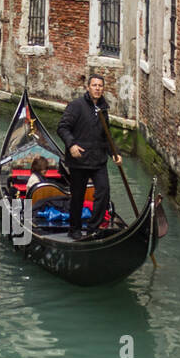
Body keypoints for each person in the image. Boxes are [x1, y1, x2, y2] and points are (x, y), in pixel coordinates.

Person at [57, 74, 122, 239]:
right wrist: (71, 145)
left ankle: (93, 227)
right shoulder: (76, 106)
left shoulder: (103, 108)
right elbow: (63, 127)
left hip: (98, 160)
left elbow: (106, 135)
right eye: (94, 85)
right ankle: (75, 229)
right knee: (77, 197)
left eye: (100, 86)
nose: (97, 88)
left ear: (103, 88)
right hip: (79, 160)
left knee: (104, 191)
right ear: (88, 87)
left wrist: (115, 153)